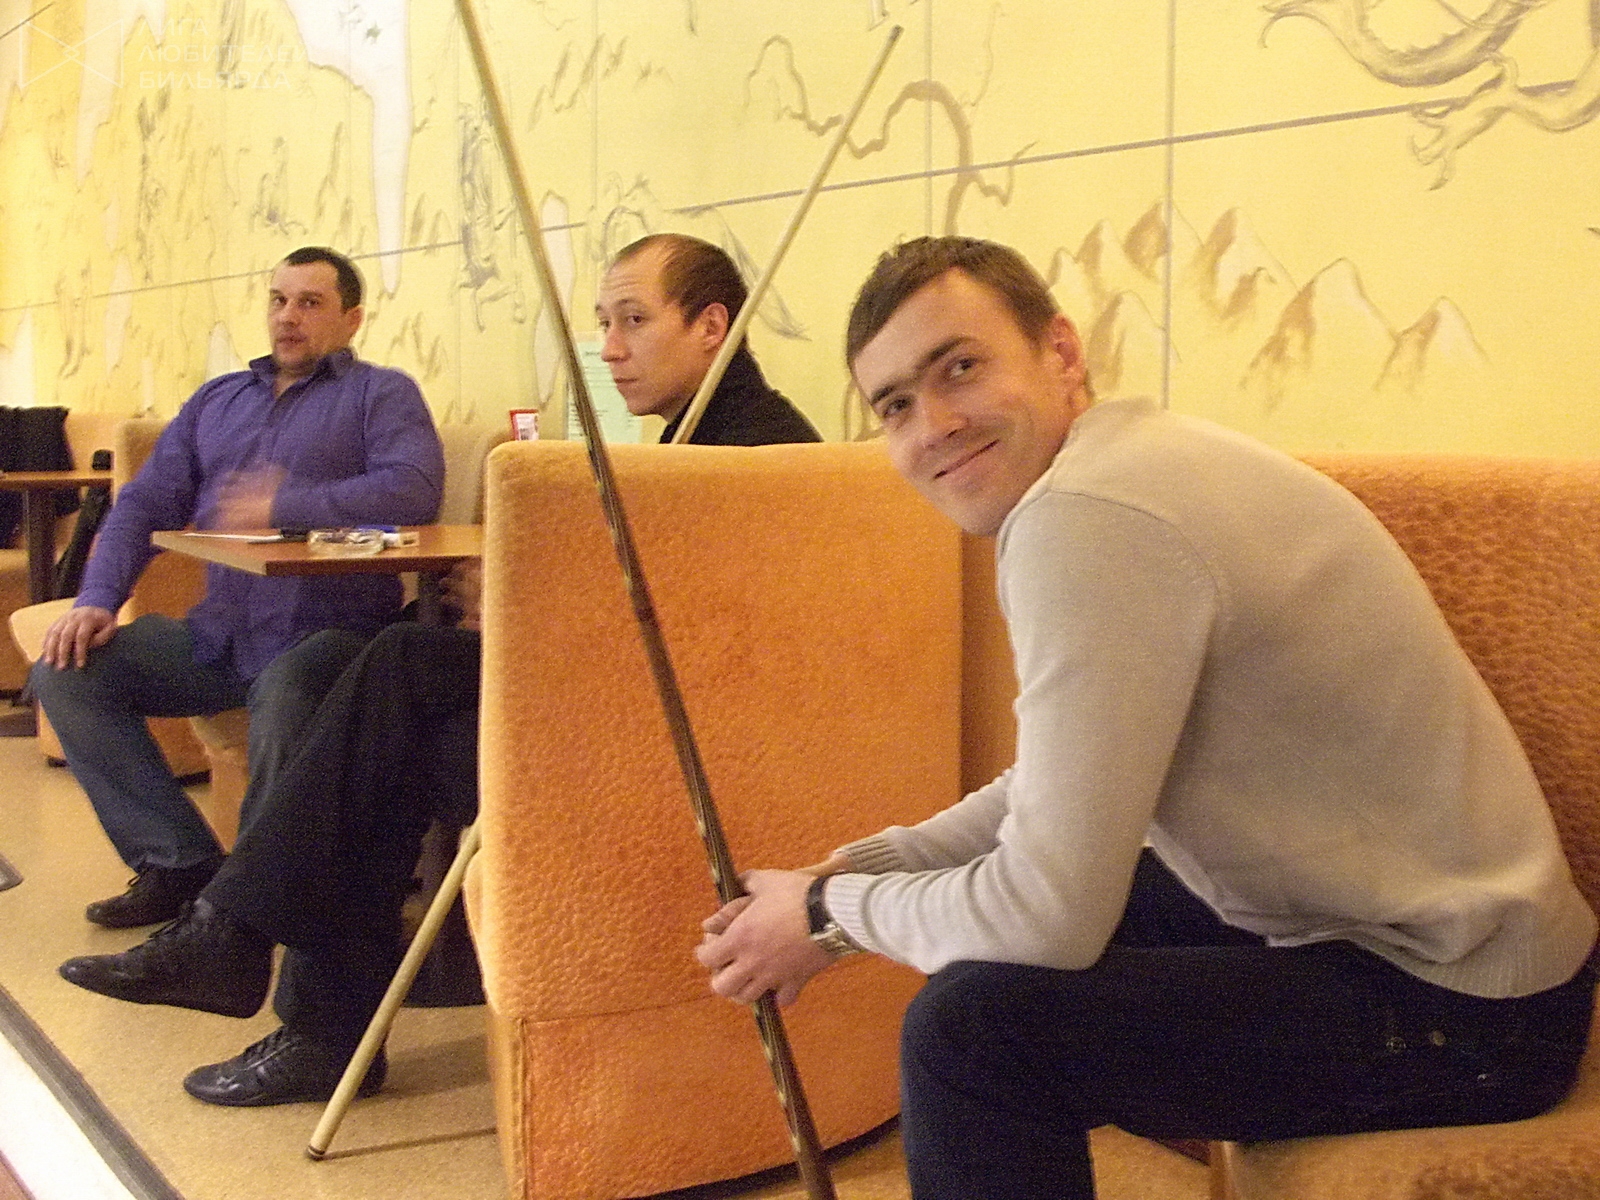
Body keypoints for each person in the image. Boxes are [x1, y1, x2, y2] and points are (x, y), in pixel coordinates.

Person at [692, 237, 1600, 1199]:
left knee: (975, 1037)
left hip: (1468, 1007)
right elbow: (1057, 785)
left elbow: (1045, 917)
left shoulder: (1088, 517)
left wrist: (828, 920)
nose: (935, 425)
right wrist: (859, 873)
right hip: (1438, 932)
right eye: (896, 405)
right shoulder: (1126, 467)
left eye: (959, 368)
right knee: (1036, 918)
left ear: (1060, 351)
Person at [56, 233, 821, 1108]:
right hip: (589, 697)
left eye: (633, 321)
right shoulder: (696, 437)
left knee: (393, 686)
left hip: (662, 750)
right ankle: (266, 970)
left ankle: (262, 963)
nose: (608, 347)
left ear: (712, 326)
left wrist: (523, 605)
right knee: (357, 681)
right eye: (605, 323)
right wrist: (526, 595)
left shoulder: (752, 451)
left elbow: (706, 646)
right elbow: (650, 597)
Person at [32, 247, 445, 932]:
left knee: (289, 695)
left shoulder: (381, 393)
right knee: (66, 670)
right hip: (218, 636)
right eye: (278, 300)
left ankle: (240, 919)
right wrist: (96, 599)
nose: (288, 317)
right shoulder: (218, 400)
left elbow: (413, 490)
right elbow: (144, 504)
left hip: (330, 635)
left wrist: (287, 504)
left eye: (310, 303)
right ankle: (177, 864)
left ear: (351, 319)